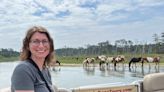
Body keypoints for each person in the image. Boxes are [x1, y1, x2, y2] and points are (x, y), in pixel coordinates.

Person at [11, 26, 56, 92]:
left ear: (50, 45)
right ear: (27, 46)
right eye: (36, 41)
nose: (41, 46)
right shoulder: (23, 69)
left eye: (45, 41)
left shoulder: (45, 70)